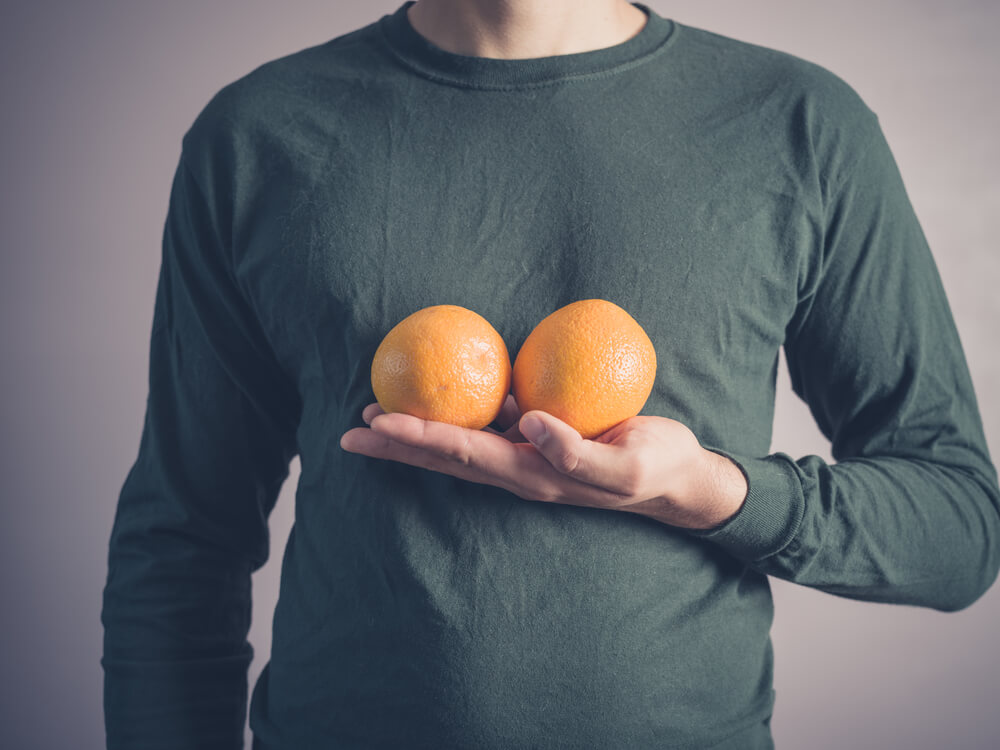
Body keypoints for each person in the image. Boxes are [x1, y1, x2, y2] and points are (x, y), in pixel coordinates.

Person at [101, 0, 1000, 747]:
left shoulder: (799, 123)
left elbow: (960, 524)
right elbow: (183, 540)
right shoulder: (258, 134)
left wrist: (713, 493)